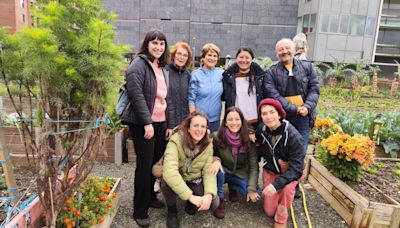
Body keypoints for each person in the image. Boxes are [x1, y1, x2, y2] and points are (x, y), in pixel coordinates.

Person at [121, 29, 170, 227]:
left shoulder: (160, 66)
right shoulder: (138, 64)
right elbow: (136, 94)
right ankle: (139, 210)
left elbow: (164, 98)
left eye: (161, 44)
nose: (158, 47)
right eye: (154, 43)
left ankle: (150, 196)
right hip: (143, 124)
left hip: (160, 123)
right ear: (147, 44)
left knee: (154, 162)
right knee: (144, 165)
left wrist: (166, 124)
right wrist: (147, 122)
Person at [162, 111, 220, 228]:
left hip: (194, 178)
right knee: (166, 183)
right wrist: (191, 196)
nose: (199, 129)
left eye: (203, 126)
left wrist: (209, 194)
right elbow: (170, 171)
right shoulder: (175, 141)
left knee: (214, 203)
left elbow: (208, 172)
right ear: (188, 128)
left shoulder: (208, 144)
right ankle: (172, 211)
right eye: (196, 125)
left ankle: (189, 203)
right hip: (178, 176)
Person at [256, 98, 305, 228]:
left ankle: (282, 218)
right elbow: (259, 146)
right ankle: (279, 193)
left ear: (279, 114)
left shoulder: (294, 137)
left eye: (272, 112)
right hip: (271, 170)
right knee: (269, 211)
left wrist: (275, 185)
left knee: (287, 188)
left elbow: (296, 169)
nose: (268, 117)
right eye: (264, 113)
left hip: (289, 172)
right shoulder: (262, 130)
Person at [263, 38, 320, 151]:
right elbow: (273, 94)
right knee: (283, 150)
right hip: (283, 116)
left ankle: (297, 169)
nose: (284, 51)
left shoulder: (307, 67)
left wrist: (307, 107)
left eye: (287, 48)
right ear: (277, 53)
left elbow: (314, 89)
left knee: (300, 150)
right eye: (281, 49)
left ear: (294, 50)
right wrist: (293, 109)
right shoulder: (271, 71)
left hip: (304, 117)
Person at [209, 107, 260, 219]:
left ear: (242, 122)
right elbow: (208, 155)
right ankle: (220, 198)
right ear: (225, 123)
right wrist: (216, 159)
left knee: (257, 195)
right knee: (217, 171)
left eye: (237, 119)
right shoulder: (217, 136)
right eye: (230, 119)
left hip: (240, 172)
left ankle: (234, 186)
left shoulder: (248, 138)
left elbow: (253, 166)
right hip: (224, 170)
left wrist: (251, 188)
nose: (234, 122)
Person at [222, 47, 265, 142]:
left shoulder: (260, 77)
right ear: (236, 58)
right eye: (241, 57)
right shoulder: (228, 76)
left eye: (247, 57)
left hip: (256, 122)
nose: (244, 60)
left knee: (254, 151)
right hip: (236, 121)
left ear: (252, 59)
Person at [188, 43, 223, 133]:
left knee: (213, 144)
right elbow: (191, 98)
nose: (212, 58)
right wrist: (193, 117)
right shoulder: (195, 74)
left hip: (215, 119)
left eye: (215, 56)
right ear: (203, 57)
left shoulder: (221, 74)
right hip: (199, 119)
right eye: (209, 55)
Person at [165, 41, 192, 138]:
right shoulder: (165, 71)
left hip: (184, 124)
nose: (181, 57)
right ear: (173, 54)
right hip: (168, 125)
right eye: (179, 54)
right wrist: (170, 125)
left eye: (185, 55)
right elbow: (167, 100)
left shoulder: (188, 75)